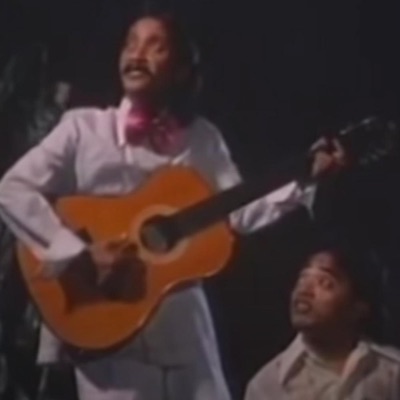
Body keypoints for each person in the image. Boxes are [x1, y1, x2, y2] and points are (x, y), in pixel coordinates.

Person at [0, 12, 346, 400]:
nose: (137, 54)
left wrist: (305, 178)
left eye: (155, 46)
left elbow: (239, 213)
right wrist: (79, 253)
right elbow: (12, 189)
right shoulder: (82, 128)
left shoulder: (201, 138)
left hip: (183, 330)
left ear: (181, 70)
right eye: (131, 43)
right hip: (106, 322)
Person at [245, 242, 400, 400]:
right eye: (302, 280)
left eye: (325, 283)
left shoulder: (391, 372)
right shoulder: (266, 386)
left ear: (358, 307)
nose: (304, 290)